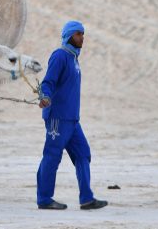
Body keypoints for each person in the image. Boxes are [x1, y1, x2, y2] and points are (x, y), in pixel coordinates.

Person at [36, 21, 108, 210]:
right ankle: (44, 199)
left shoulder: (74, 59)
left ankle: (86, 198)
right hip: (57, 118)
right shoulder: (60, 56)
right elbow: (48, 82)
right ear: (68, 35)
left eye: (83, 34)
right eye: (78, 34)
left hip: (72, 120)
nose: (82, 37)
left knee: (83, 154)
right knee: (52, 156)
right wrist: (45, 96)